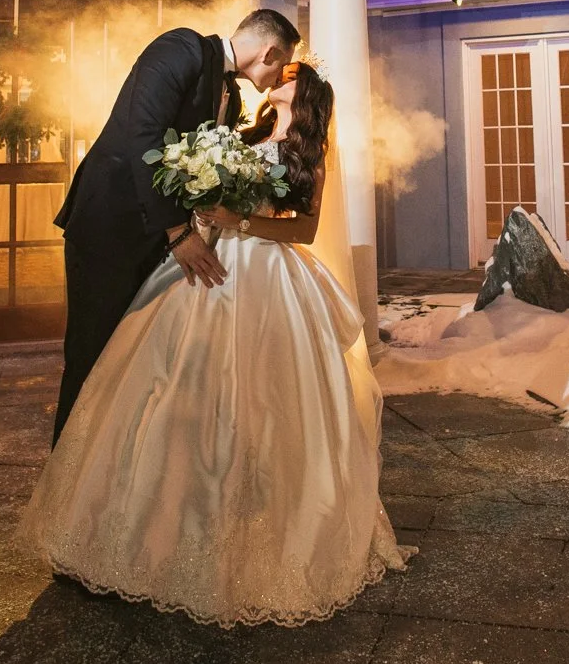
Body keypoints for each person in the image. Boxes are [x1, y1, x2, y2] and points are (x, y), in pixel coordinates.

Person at [22, 60, 407, 627]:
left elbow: (301, 229)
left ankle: (261, 527)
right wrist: (201, 204)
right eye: (284, 62)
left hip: (264, 275)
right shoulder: (241, 136)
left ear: (306, 96)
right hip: (206, 261)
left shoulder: (308, 152)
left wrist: (239, 220)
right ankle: (167, 527)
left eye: (293, 72)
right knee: (175, 391)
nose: (282, 71)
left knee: (261, 401)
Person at [50, 8, 300, 441]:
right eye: (281, 65)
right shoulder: (180, 48)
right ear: (270, 51)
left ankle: (121, 466)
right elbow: (142, 135)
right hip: (110, 226)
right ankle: (68, 471)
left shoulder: (234, 98)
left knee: (140, 354)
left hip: (163, 242)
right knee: (92, 351)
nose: (279, 77)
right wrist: (177, 233)